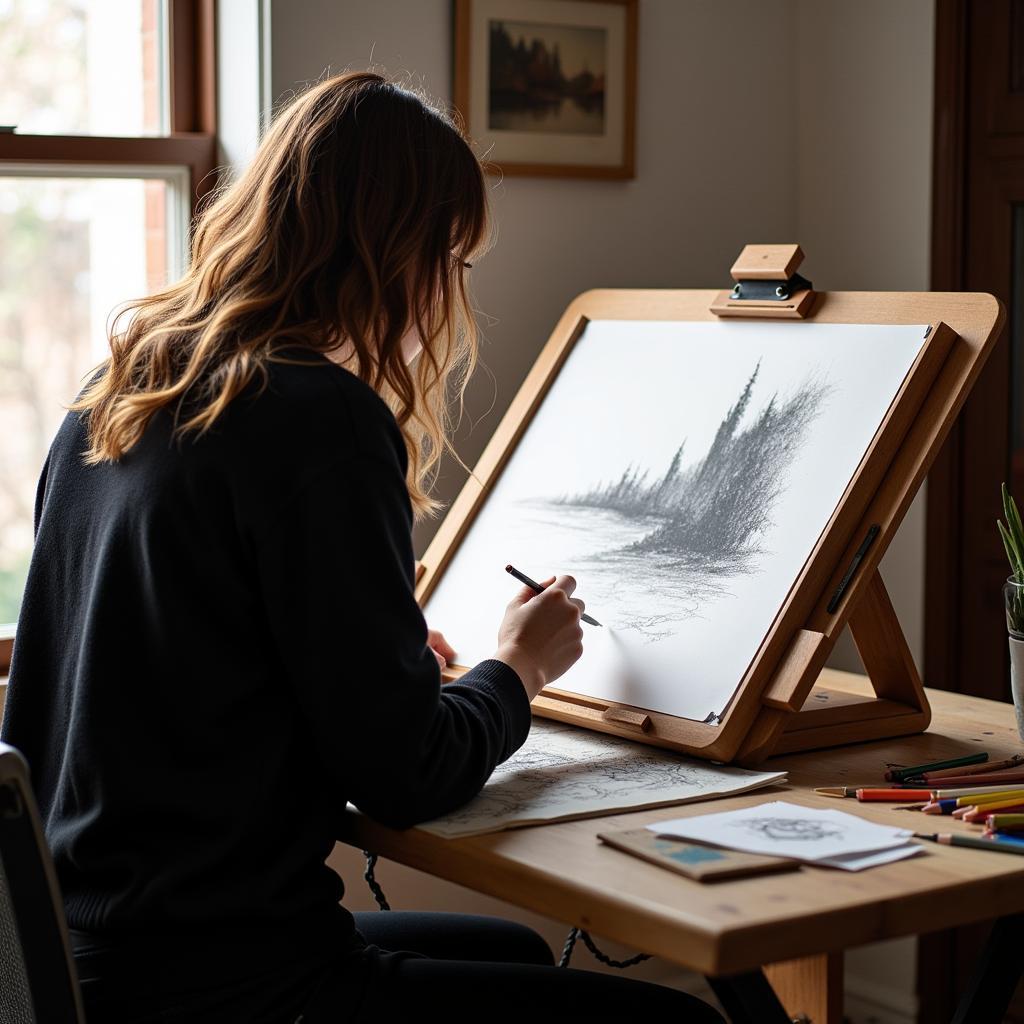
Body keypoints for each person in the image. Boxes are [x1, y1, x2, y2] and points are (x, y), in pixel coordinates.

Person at [0, 71, 725, 1023]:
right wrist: (518, 667)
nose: (457, 290)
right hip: (231, 985)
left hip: (80, 958)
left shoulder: (122, 389)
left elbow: (191, 665)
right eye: (455, 258)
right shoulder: (318, 419)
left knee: (512, 949)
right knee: (679, 1020)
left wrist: (368, 664)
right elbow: (408, 775)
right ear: (395, 252)